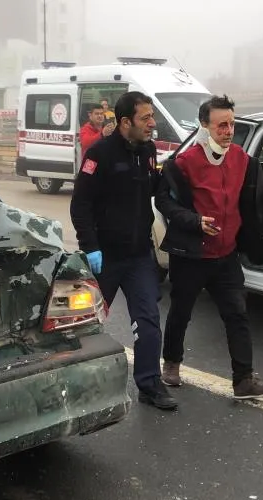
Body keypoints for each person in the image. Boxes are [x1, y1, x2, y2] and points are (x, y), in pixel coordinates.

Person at [154, 94, 263, 399]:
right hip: (191, 255)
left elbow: (258, 191)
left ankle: (244, 380)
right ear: (204, 126)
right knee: (181, 312)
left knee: (237, 315)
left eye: (232, 124)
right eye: (221, 125)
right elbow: (164, 201)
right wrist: (194, 221)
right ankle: (171, 363)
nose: (228, 130)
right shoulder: (183, 163)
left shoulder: (242, 160)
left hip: (226, 255)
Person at [70, 91, 177, 411]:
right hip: (105, 256)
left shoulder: (146, 151)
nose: (152, 123)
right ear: (126, 121)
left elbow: (153, 190)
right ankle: (74, 384)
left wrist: (171, 178)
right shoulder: (99, 154)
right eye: (146, 118)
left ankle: (149, 384)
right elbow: (81, 204)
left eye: (152, 117)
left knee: (147, 322)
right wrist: (90, 247)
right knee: (85, 323)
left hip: (139, 255)